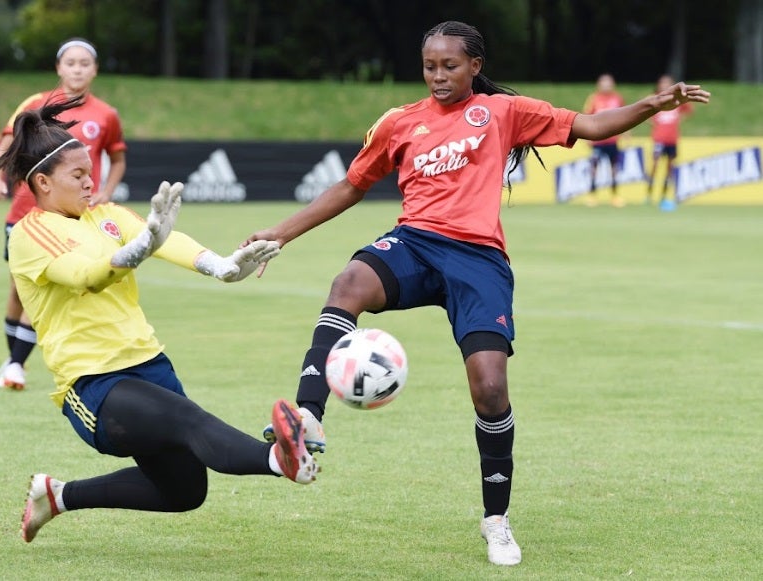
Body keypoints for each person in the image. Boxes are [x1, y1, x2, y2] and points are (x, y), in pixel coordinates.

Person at [246, 21, 709, 566]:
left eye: (449, 66)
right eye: (429, 66)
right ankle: (309, 418)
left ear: (474, 67)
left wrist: (652, 105)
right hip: (414, 244)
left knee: (490, 389)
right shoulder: (400, 123)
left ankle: (496, 521)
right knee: (349, 282)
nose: (438, 76)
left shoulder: (504, 114)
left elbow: (589, 123)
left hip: (478, 259)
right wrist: (281, 232)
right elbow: (352, 185)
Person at [0, 98, 319, 543]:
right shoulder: (32, 234)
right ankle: (280, 460)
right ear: (43, 182)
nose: (93, 183)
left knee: (185, 491)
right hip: (95, 386)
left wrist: (217, 265)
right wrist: (133, 252)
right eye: (79, 176)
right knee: (189, 420)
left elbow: (163, 238)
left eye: (93, 172)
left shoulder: (105, 215)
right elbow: (85, 276)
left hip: (150, 365)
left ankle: (58, 496)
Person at [0, 37, 127, 390]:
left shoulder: (106, 114)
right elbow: (8, 138)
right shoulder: (35, 105)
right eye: (71, 63)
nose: (77, 69)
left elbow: (118, 158)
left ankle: (17, 363)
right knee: (20, 289)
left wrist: (106, 191)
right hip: (24, 212)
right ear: (58, 68)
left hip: (72, 216)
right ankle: (14, 360)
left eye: (84, 63)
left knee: (51, 287)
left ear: (94, 70)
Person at [647, 74, 694, 210]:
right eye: (663, 83)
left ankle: (664, 194)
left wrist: (678, 119)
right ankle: (649, 193)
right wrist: (653, 122)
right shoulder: (654, 98)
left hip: (672, 139)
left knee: (670, 168)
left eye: (668, 83)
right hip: (659, 139)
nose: (665, 85)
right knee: (655, 165)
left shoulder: (676, 99)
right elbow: (642, 111)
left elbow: (688, 110)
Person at [582, 73, 626, 207]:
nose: (606, 85)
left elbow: (624, 116)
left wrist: (626, 132)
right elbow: (586, 117)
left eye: (609, 82)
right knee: (595, 167)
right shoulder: (594, 98)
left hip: (612, 140)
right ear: (599, 84)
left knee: (614, 168)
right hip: (597, 140)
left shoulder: (617, 98)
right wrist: (587, 136)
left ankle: (614, 196)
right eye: (604, 82)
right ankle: (592, 195)